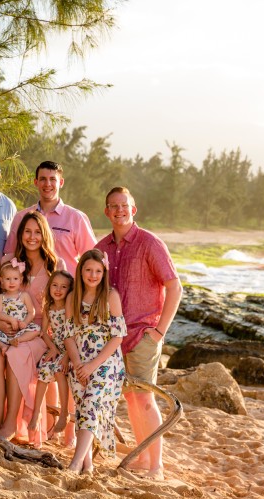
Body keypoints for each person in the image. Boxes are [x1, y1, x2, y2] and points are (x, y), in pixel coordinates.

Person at [95, 186, 182, 480]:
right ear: (106, 212)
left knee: (145, 399)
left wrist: (159, 332)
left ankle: (156, 465)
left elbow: (174, 287)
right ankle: (144, 456)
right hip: (114, 337)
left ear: (134, 209)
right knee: (132, 399)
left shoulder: (149, 243)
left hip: (144, 334)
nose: (119, 210)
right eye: (113, 206)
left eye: (124, 205)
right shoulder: (102, 248)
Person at [0, 211, 66, 446]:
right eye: (28, 232)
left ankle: (12, 423)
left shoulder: (55, 265)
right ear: (20, 235)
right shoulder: (7, 261)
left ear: (45, 236)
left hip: (41, 333)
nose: (32, 237)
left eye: (37, 232)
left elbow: (61, 308)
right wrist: (1, 324)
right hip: (8, 329)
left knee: (15, 353)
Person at [64, 249, 126, 474]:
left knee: (90, 402)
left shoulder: (110, 296)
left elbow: (118, 336)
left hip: (106, 361)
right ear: (80, 271)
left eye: (98, 271)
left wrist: (93, 365)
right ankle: (88, 464)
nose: (93, 275)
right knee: (81, 405)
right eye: (88, 270)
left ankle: (75, 462)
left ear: (104, 272)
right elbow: (68, 334)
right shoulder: (73, 298)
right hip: (79, 358)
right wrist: (79, 363)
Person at [3, 160, 96, 273]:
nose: (47, 184)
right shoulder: (21, 218)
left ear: (61, 182)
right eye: (43, 179)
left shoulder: (76, 218)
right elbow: (10, 256)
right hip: (30, 288)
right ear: (36, 182)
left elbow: (93, 258)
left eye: (52, 179)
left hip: (67, 287)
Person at [28, 269, 74, 440]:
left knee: (58, 370)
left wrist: (67, 354)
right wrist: (53, 348)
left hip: (70, 349)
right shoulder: (48, 307)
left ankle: (64, 413)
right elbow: (44, 332)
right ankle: (36, 414)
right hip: (56, 347)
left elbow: (74, 333)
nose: (58, 290)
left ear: (70, 290)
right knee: (43, 371)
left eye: (63, 287)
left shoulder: (70, 308)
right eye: (55, 285)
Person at [0, 258, 41, 351]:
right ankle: (3, 345)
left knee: (36, 329)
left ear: (21, 280)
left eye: (15, 279)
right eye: (8, 279)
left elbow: (31, 312)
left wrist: (25, 322)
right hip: (4, 332)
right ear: (1, 280)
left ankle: (18, 340)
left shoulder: (24, 296)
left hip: (21, 330)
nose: (12, 282)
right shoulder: (1, 297)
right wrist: (10, 319)